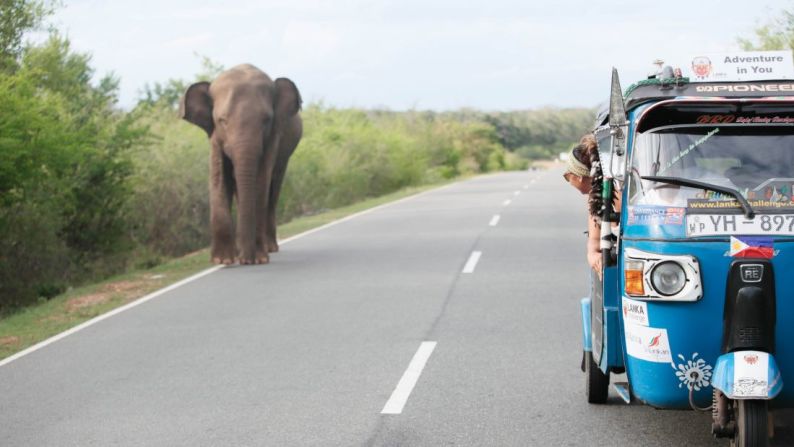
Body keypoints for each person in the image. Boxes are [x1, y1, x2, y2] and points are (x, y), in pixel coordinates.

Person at [563, 134, 609, 277]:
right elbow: (594, 242)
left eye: (567, 176)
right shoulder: (595, 196)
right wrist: (593, 253)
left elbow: (594, 245)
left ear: (579, 177)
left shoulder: (613, 194)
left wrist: (593, 254)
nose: (568, 181)